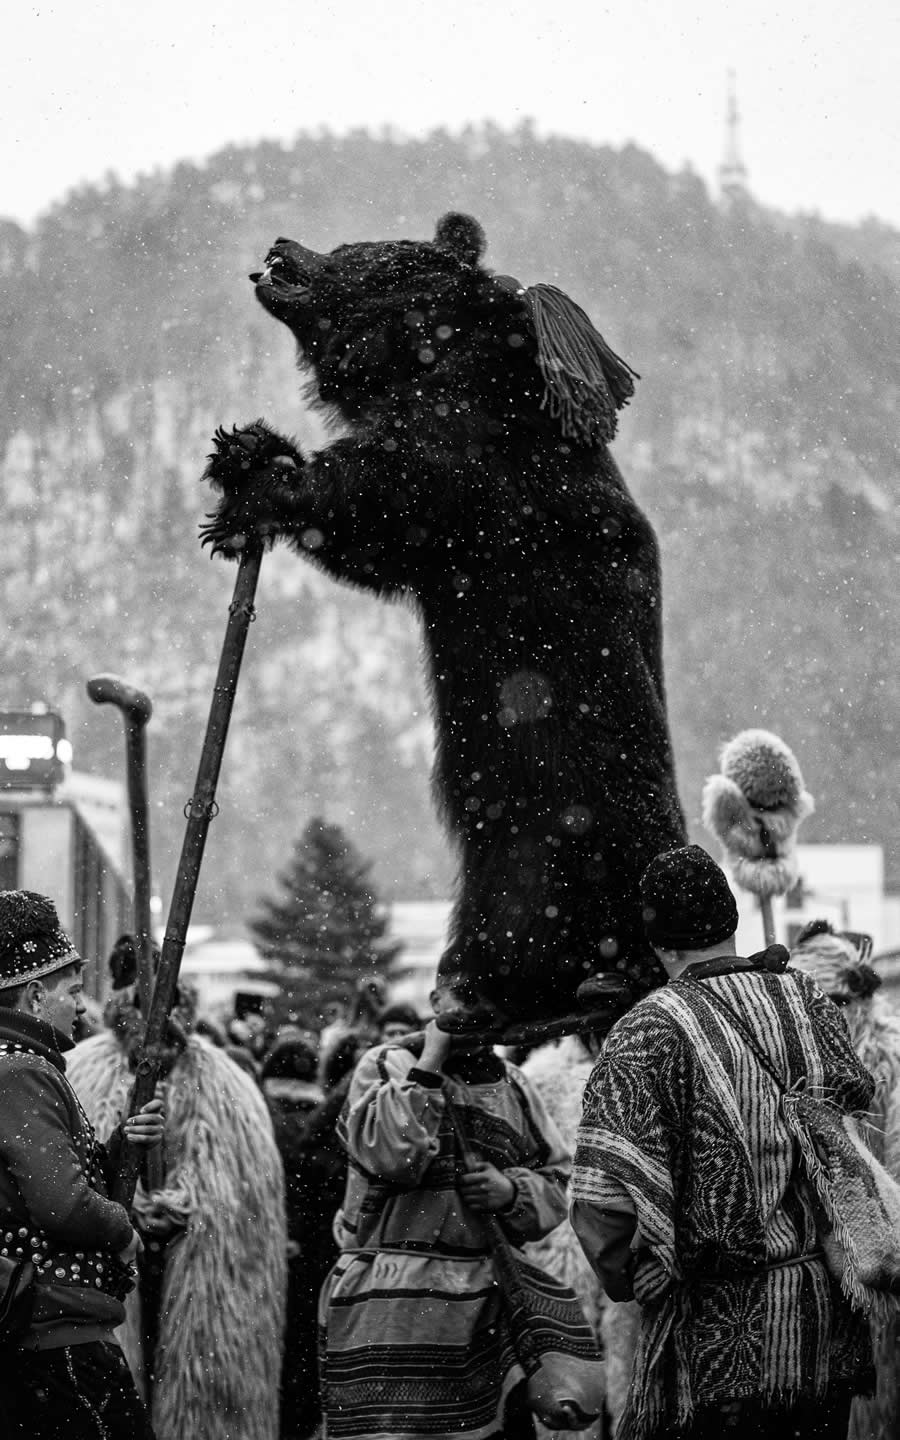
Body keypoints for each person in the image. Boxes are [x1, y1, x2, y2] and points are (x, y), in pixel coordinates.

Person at [572, 845, 876, 1440]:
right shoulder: (809, 1001)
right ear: (731, 922)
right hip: (823, 1326)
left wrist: (630, 1280)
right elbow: (854, 1118)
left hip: (714, 1346)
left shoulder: (646, 1030)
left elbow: (599, 1208)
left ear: (658, 941)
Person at [319, 984, 601, 1440]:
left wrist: (510, 1191)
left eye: (483, 995)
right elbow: (392, 1155)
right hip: (389, 1314)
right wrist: (429, 1063)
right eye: (461, 996)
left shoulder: (514, 1083)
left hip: (483, 1315)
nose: (473, 1008)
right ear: (435, 1001)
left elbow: (559, 1180)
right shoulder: (385, 1064)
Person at [0, 889, 164, 1439]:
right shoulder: (20, 1071)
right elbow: (62, 1204)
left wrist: (119, 1151)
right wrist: (124, 1231)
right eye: (72, 990)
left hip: (47, 1332)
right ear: (34, 995)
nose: (82, 1004)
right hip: (56, 1338)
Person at [790, 919, 900, 1440]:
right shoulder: (792, 1064)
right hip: (811, 1269)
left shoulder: (889, 1060)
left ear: (853, 1001)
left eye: (829, 1003)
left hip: (880, 1257)